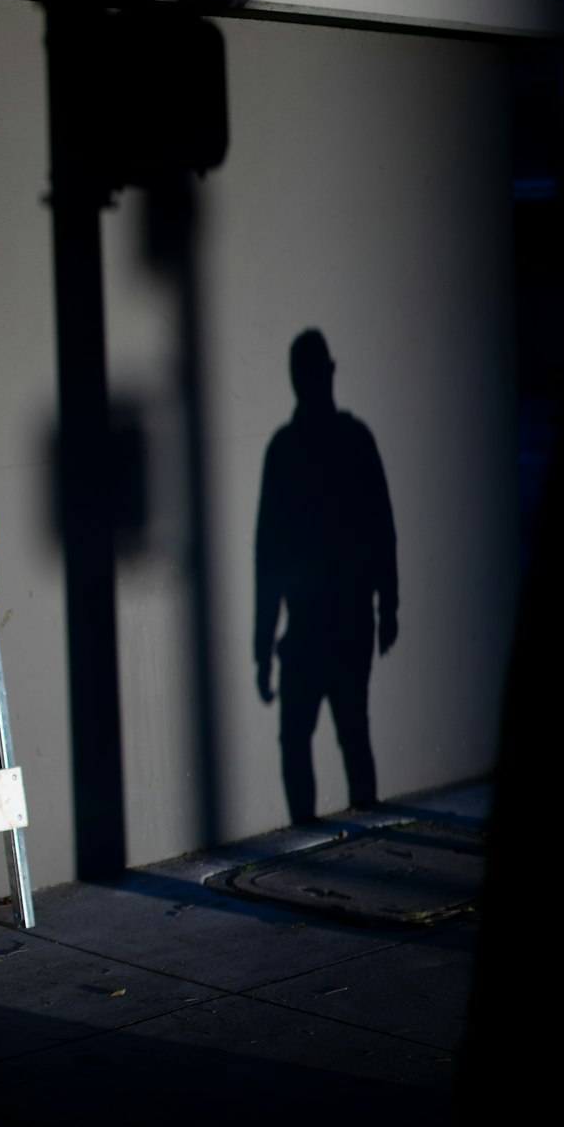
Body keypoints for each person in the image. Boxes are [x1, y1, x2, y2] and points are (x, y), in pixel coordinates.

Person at [254, 329, 398, 821]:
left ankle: (313, 839)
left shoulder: (289, 449)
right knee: (348, 733)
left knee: (311, 738)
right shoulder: (351, 442)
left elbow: (266, 555)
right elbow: (382, 528)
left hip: (318, 626)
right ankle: (368, 840)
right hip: (343, 622)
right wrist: (388, 606)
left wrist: (262, 644)